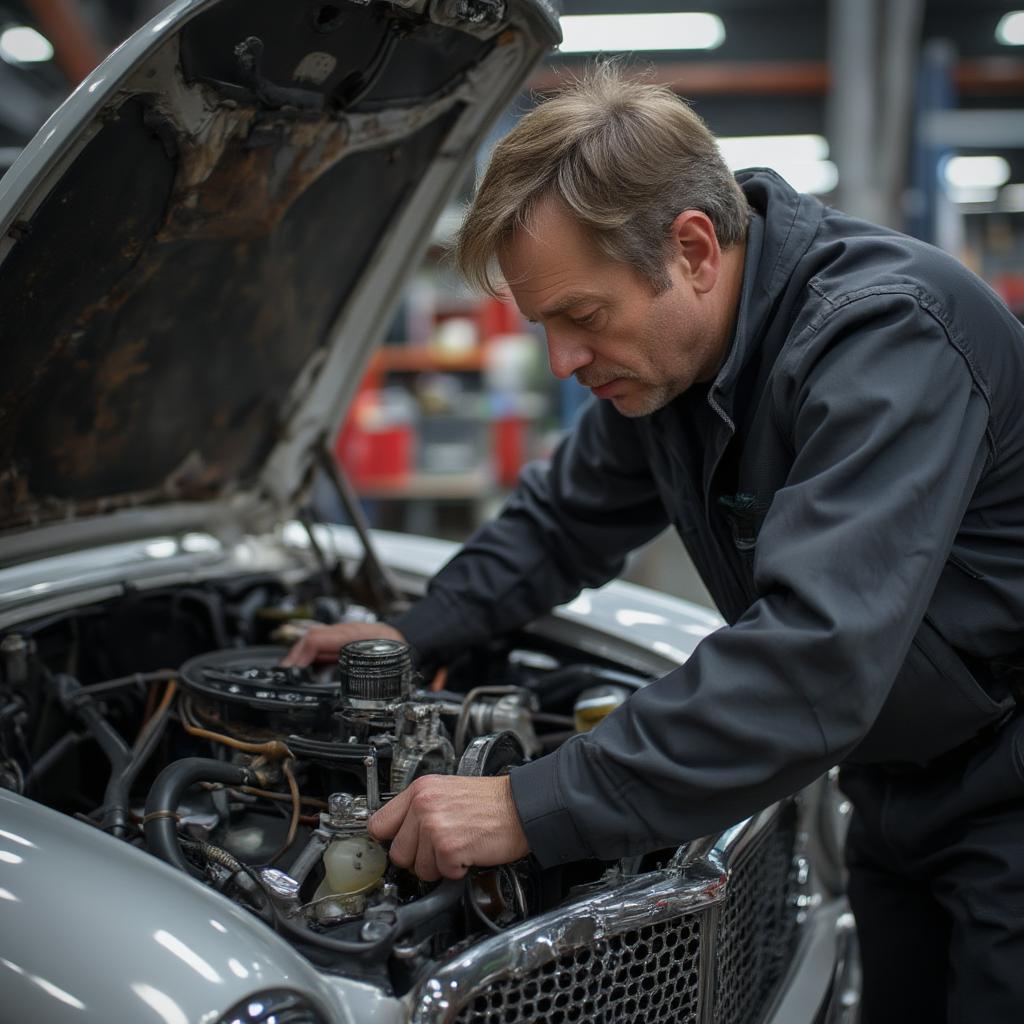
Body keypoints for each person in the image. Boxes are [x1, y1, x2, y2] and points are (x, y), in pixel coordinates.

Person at [284, 65, 1024, 1022]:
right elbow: (560, 523)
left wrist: (529, 804)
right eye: (542, 325)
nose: (563, 361)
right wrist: (410, 636)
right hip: (895, 786)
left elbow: (815, 658)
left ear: (694, 250)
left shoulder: (886, 338)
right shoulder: (671, 368)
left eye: (582, 317)